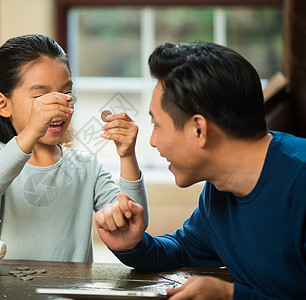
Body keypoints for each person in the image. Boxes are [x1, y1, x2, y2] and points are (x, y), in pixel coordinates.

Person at [95, 41, 306, 299]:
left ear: (199, 130)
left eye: (157, 125)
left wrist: (230, 296)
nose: (152, 141)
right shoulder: (219, 190)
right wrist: (135, 245)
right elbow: (182, 248)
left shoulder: (300, 181)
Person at [0, 34, 148, 263]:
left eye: (65, 93)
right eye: (41, 96)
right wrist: (31, 131)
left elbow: (133, 221)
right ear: (3, 105)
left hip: (70, 292)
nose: (58, 106)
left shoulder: (86, 166)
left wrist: (127, 156)